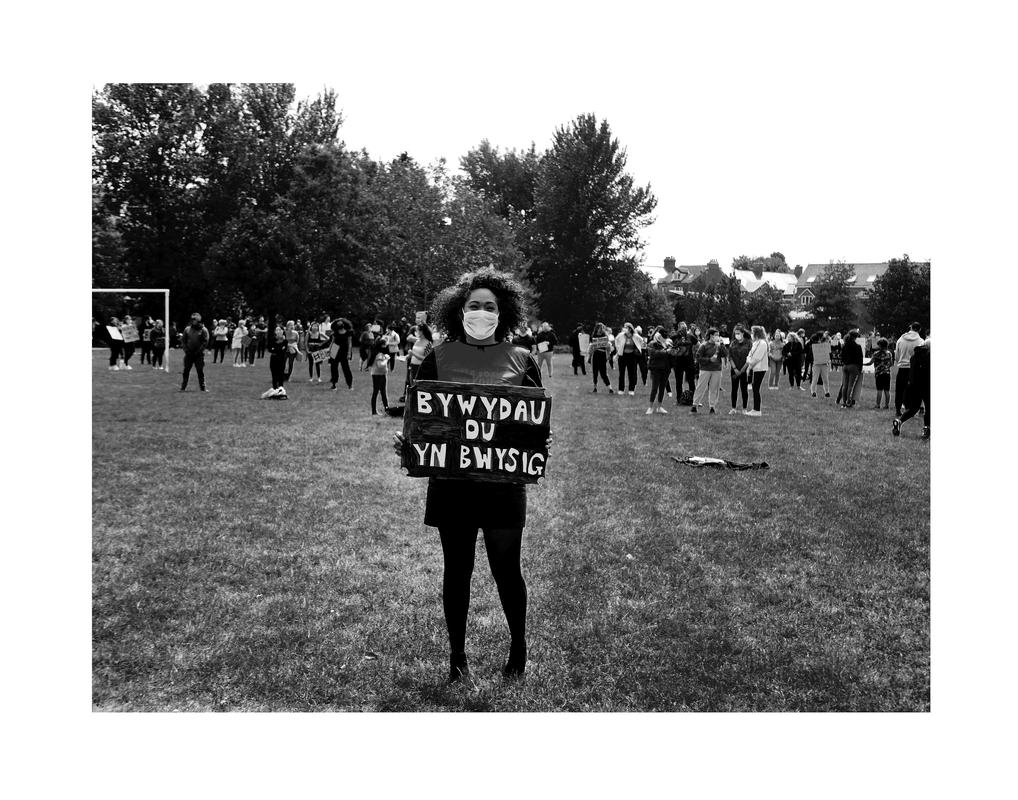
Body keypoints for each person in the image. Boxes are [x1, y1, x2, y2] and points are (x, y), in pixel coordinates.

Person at [393, 267, 542, 685]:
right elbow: (420, 414)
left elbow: (533, 420)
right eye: (474, 305)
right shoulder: (438, 356)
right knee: (456, 569)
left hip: (503, 484)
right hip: (452, 483)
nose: (481, 312)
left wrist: (538, 443)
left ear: (503, 312)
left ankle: (518, 646)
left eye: (489, 306)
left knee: (506, 569)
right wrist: (409, 442)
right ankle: (457, 657)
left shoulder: (522, 359)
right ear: (460, 310)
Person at [893, 335, 930, 439]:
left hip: (914, 385)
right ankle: (926, 429)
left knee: (913, 408)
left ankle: (899, 421)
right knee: (929, 408)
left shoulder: (914, 356)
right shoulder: (929, 356)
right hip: (927, 385)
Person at [690, 328, 727, 414]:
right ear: (711, 336)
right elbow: (698, 358)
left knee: (714, 389)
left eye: (718, 335)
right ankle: (694, 405)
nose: (717, 337)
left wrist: (722, 345)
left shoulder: (719, 345)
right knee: (701, 387)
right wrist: (709, 359)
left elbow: (725, 354)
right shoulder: (704, 345)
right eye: (716, 335)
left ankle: (712, 407)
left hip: (717, 370)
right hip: (705, 370)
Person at [893, 322, 924, 415]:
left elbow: (897, 356)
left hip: (902, 367)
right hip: (914, 369)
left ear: (910, 327)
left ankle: (898, 409)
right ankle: (909, 409)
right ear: (919, 329)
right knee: (913, 390)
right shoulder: (921, 341)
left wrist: (900, 361)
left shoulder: (901, 339)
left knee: (899, 389)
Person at [402, 322, 434, 403]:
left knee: (420, 389)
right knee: (412, 387)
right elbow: (412, 354)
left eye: (417, 330)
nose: (416, 332)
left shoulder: (428, 343)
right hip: (412, 366)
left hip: (421, 368)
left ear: (422, 331)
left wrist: (413, 354)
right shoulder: (417, 341)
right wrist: (406, 357)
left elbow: (426, 359)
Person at [179, 312, 209, 392]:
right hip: (189, 354)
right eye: (192, 320)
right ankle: (183, 387)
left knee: (200, 370)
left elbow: (205, 342)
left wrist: (199, 351)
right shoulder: (187, 329)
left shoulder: (203, 330)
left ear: (198, 320)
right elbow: (183, 341)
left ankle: (203, 387)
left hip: (198, 354)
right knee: (186, 370)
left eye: (195, 320)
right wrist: (186, 350)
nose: (193, 321)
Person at [669, 322, 697, 402]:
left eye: (684, 328)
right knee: (679, 381)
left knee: (691, 381)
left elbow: (697, 344)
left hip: (689, 361)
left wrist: (696, 355)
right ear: (678, 328)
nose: (683, 330)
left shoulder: (690, 336)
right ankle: (679, 399)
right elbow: (669, 344)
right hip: (678, 362)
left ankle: (693, 398)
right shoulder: (674, 337)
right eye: (681, 328)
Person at [837, 329, 864, 407]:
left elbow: (841, 356)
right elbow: (860, 359)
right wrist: (860, 368)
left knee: (845, 385)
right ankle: (848, 401)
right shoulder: (858, 346)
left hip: (845, 366)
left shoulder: (844, 345)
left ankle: (844, 401)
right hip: (854, 366)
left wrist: (844, 362)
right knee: (850, 385)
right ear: (856, 337)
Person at [727, 324, 751, 415]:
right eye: (735, 333)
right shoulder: (733, 343)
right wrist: (735, 368)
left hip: (745, 370)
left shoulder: (749, 343)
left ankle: (744, 409)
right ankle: (733, 408)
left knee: (744, 389)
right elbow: (730, 357)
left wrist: (742, 369)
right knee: (734, 389)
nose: (737, 335)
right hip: (734, 370)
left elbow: (750, 357)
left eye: (738, 333)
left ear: (742, 333)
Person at [614, 322, 643, 395]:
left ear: (630, 329)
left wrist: (638, 348)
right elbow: (616, 340)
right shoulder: (621, 335)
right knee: (621, 373)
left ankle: (631, 390)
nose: (624, 328)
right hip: (622, 356)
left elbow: (641, 341)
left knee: (631, 373)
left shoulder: (635, 336)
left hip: (632, 356)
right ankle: (621, 389)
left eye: (626, 327)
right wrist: (618, 348)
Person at [745, 325, 768, 417]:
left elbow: (757, 357)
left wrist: (750, 364)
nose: (751, 334)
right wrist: (749, 361)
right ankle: (755, 409)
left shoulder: (762, 343)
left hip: (760, 368)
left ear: (756, 334)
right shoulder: (755, 343)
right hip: (755, 367)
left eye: (752, 332)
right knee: (755, 388)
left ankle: (757, 410)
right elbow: (749, 354)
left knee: (756, 388)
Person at [865, 337, 894, 409]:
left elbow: (870, 363)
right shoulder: (889, 353)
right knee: (887, 390)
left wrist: (863, 364)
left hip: (878, 374)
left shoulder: (876, 353)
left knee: (879, 389)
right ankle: (886, 405)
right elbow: (891, 364)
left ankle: (878, 405)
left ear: (880, 345)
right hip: (887, 373)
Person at [645, 334, 671, 414]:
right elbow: (654, 353)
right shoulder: (652, 344)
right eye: (660, 337)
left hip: (665, 369)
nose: (662, 338)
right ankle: (650, 407)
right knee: (654, 388)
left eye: (663, 337)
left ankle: (659, 407)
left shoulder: (667, 344)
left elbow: (670, 356)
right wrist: (666, 351)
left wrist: (673, 351)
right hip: (656, 369)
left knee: (662, 388)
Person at [263, 323, 289, 398]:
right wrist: (277, 349)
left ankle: (281, 390)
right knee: (274, 375)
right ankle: (274, 390)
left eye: (280, 330)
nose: (278, 331)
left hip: (281, 359)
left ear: (283, 331)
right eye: (277, 330)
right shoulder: (272, 339)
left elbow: (283, 350)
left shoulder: (285, 341)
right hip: (273, 359)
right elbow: (270, 349)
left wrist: (276, 349)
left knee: (281, 375)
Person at [587, 322, 614, 393]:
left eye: (602, 328)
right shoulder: (594, 336)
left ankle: (610, 388)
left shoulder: (605, 336)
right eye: (599, 328)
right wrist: (589, 357)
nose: (600, 329)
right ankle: (595, 387)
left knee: (603, 373)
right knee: (595, 372)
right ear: (597, 329)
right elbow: (592, 347)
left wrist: (608, 355)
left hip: (602, 355)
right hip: (595, 354)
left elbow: (608, 346)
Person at [329, 317, 354, 390]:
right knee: (333, 368)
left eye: (340, 323)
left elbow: (350, 343)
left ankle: (350, 385)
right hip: (334, 350)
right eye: (338, 323)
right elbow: (332, 342)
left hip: (344, 351)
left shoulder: (348, 333)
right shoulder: (335, 333)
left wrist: (349, 353)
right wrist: (329, 350)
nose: (339, 324)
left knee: (346, 368)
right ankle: (334, 384)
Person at [368, 337, 390, 415]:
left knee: (383, 393)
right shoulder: (379, 354)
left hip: (381, 374)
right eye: (385, 345)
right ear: (382, 345)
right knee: (377, 392)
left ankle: (387, 410)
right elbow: (380, 365)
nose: (386, 347)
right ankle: (375, 411)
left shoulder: (378, 353)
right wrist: (386, 359)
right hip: (378, 375)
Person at [810, 331, 832, 398]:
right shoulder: (813, 345)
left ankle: (827, 392)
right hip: (816, 364)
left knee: (825, 378)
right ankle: (813, 392)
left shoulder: (825, 343)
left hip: (824, 363)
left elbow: (829, 353)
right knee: (815, 378)